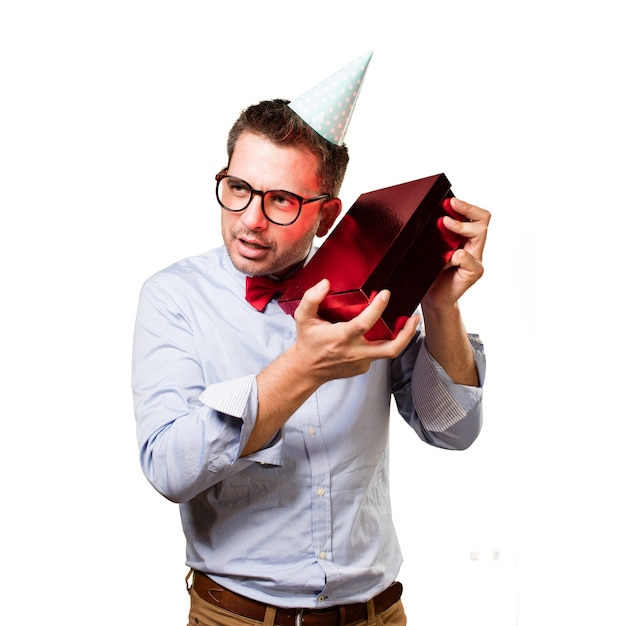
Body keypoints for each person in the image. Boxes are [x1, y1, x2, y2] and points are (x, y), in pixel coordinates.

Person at [132, 54, 489, 626]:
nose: (250, 219)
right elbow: (170, 471)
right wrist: (303, 367)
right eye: (238, 188)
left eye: (282, 200)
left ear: (327, 216)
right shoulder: (174, 298)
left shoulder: (370, 289)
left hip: (373, 615)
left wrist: (439, 303)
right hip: (236, 617)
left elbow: (454, 430)